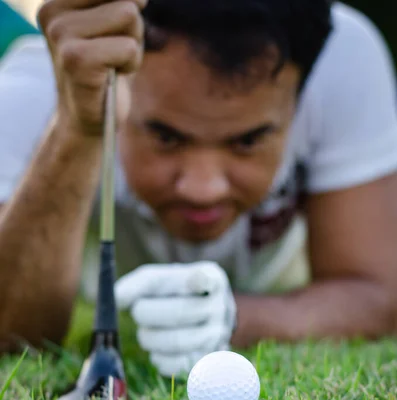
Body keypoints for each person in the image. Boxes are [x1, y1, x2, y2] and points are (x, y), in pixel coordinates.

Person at [0, 0, 397, 377]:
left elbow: (376, 294)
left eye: (247, 141)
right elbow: (10, 336)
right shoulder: (33, 87)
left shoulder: (344, 58)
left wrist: (239, 317)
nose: (202, 189)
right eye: (165, 137)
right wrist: (77, 124)